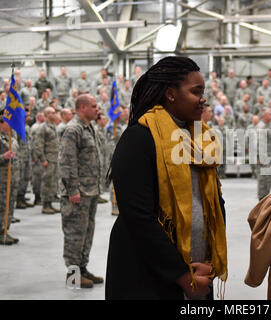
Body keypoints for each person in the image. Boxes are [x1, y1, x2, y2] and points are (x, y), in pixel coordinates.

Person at [106, 56, 227, 300]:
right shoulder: (139, 139)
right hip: (148, 276)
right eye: (196, 91)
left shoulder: (200, 140)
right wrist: (184, 277)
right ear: (171, 93)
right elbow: (139, 218)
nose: (203, 99)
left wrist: (209, 264)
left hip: (198, 270)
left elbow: (214, 203)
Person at [59, 94, 103, 289]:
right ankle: (73, 275)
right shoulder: (73, 129)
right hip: (78, 192)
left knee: (87, 232)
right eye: (94, 106)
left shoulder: (89, 128)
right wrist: (72, 189)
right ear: (82, 107)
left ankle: (83, 269)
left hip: (91, 190)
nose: (97, 109)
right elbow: (67, 162)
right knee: (75, 234)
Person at [35, 107, 60, 214]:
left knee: (53, 181)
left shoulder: (53, 126)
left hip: (54, 158)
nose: (55, 114)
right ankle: (45, 204)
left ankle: (50, 202)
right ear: (47, 114)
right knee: (46, 182)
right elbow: (38, 145)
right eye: (52, 113)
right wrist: (43, 159)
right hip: (48, 159)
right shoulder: (42, 127)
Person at [0, 112, 20, 245]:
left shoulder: (10, 137)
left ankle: (5, 230)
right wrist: (3, 157)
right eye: (8, 122)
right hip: (2, 178)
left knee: (9, 205)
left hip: (11, 177)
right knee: (1, 205)